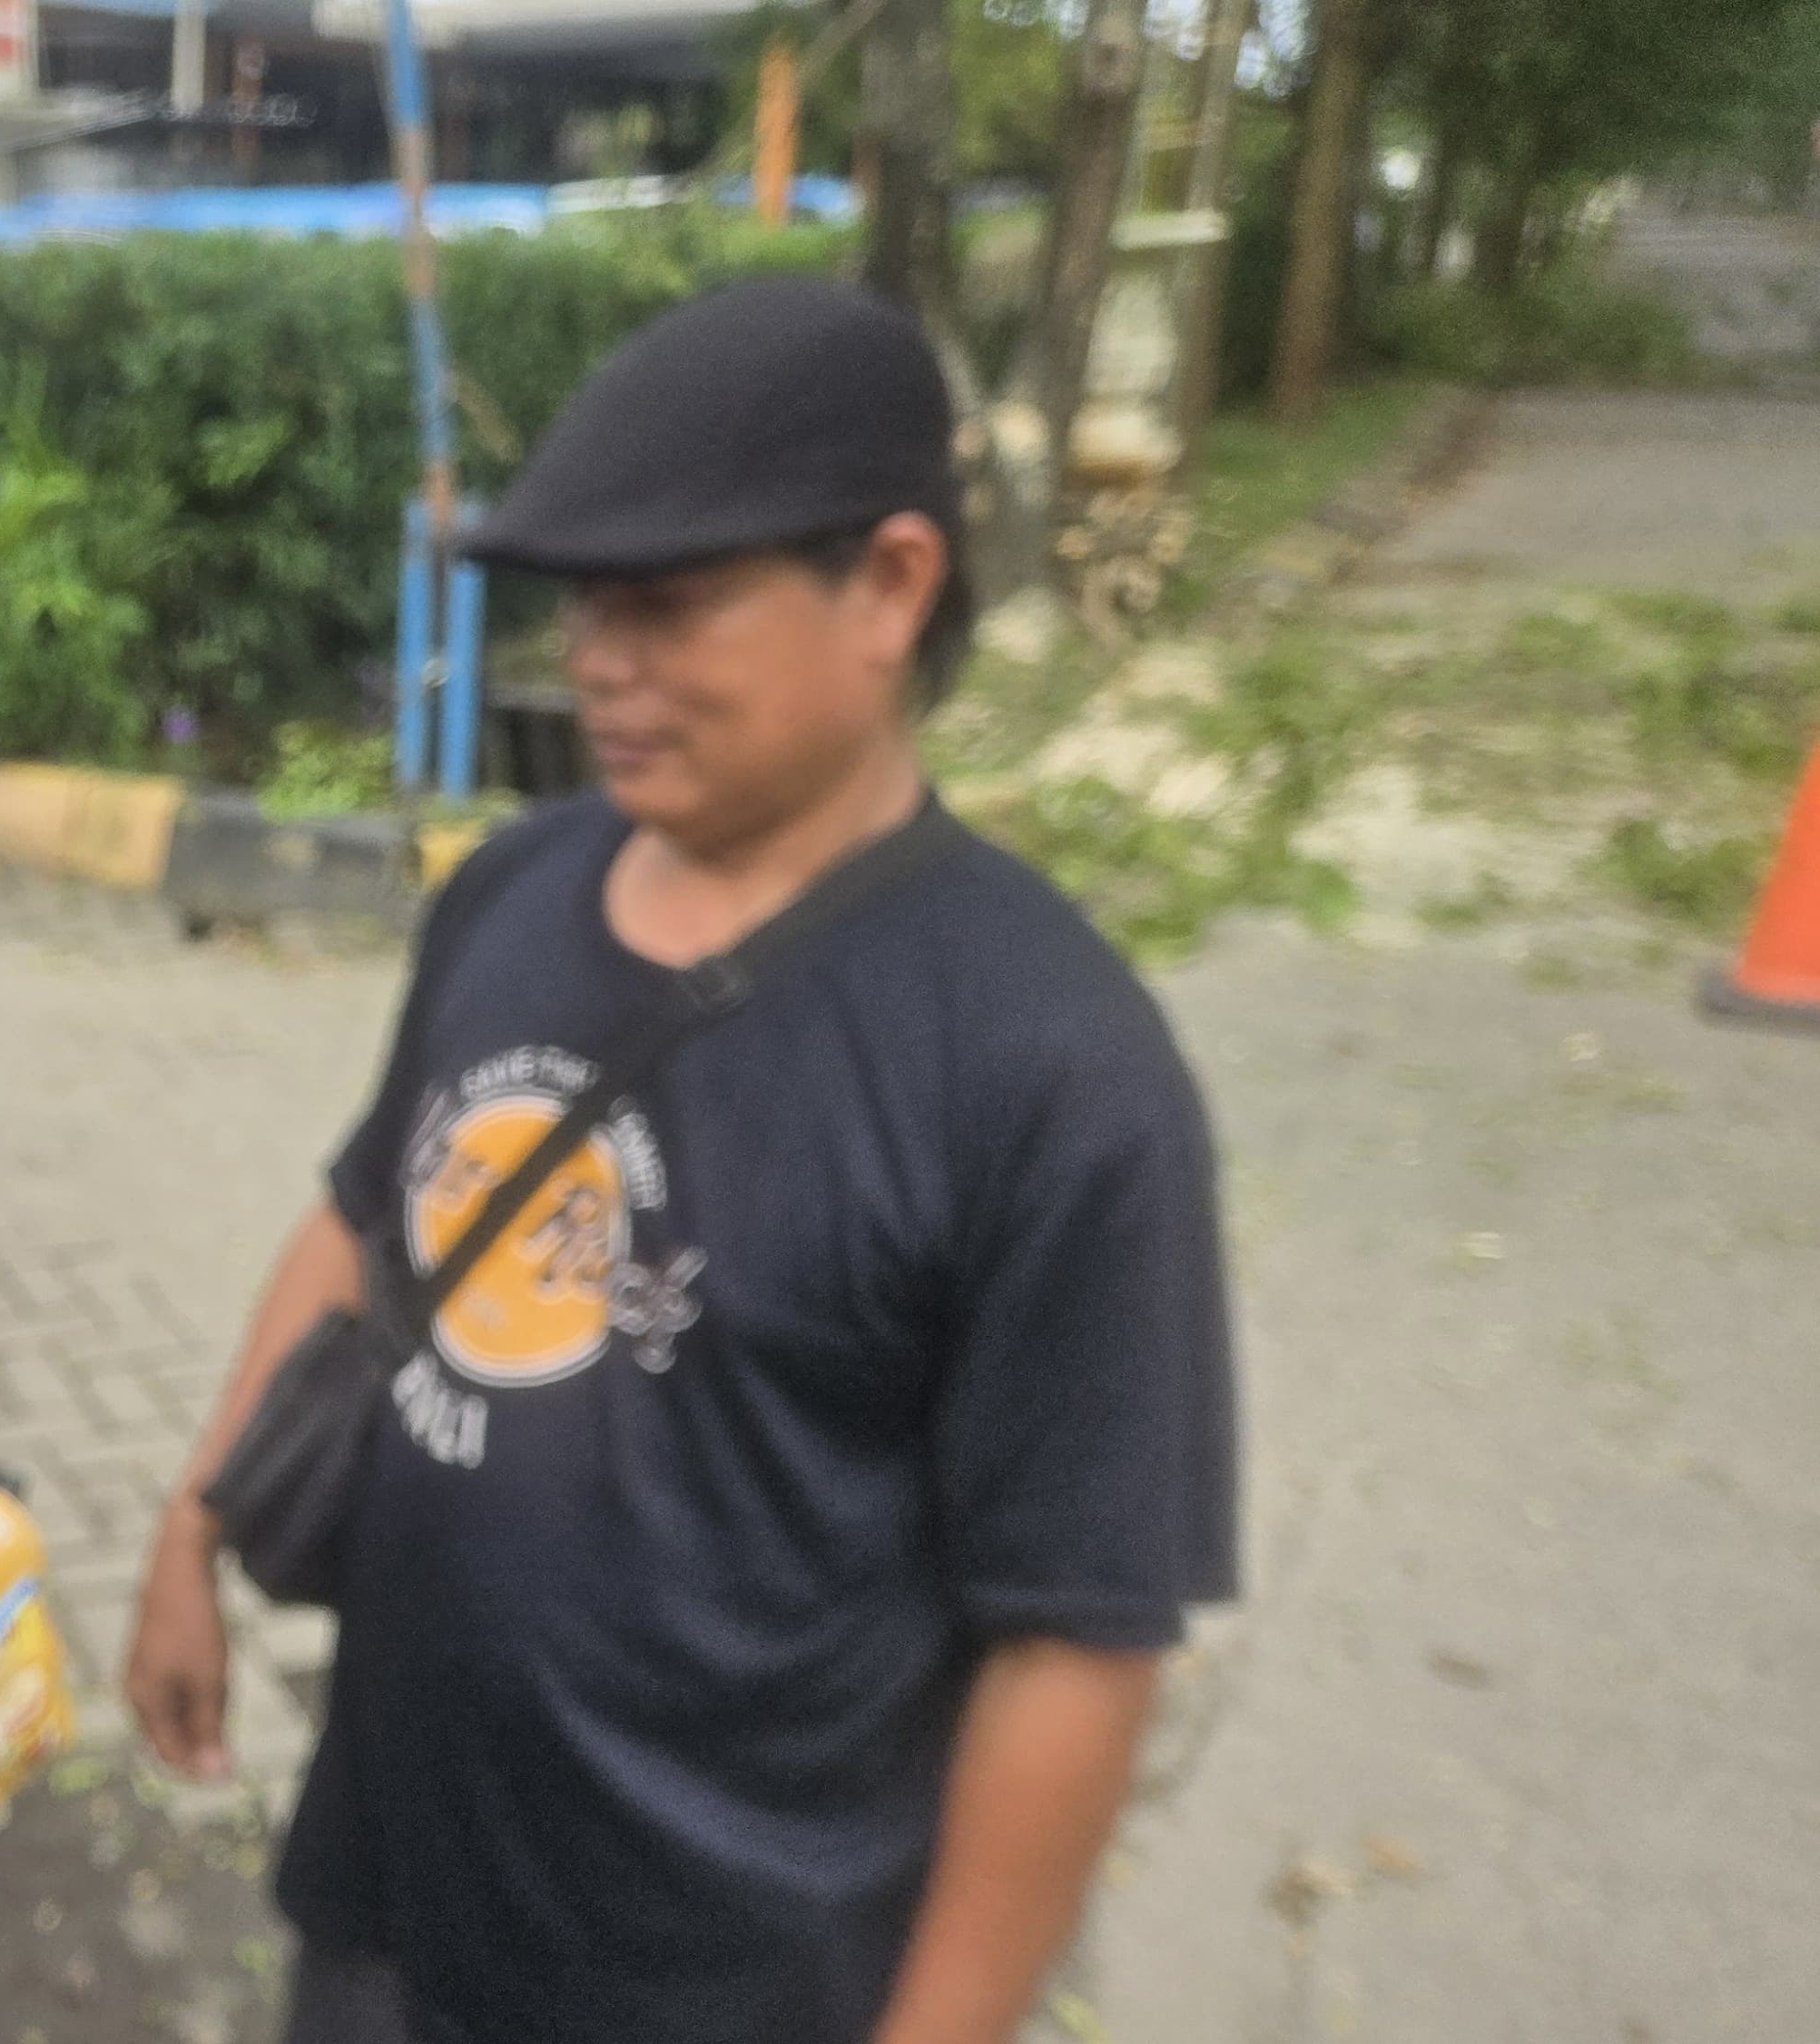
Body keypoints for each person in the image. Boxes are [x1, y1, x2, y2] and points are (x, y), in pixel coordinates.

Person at [123, 277, 1238, 2044]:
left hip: (724, 1986)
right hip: (388, 1906)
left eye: (663, 604)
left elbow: (1075, 1644)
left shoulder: (1051, 1065)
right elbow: (361, 1220)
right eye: (581, 605)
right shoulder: (512, 890)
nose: (596, 662)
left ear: (889, 586)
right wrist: (191, 1530)